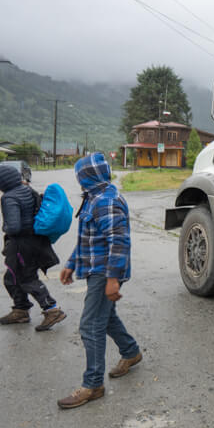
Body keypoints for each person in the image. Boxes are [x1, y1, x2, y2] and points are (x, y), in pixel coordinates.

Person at [57, 153, 141, 409]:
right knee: (105, 317)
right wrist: (71, 263)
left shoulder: (106, 201)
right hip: (96, 268)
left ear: (88, 176)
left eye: (80, 176)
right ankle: (131, 352)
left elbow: (119, 242)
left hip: (104, 271)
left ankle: (93, 385)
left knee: (90, 324)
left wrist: (112, 278)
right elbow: (88, 239)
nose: (79, 181)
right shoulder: (94, 198)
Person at [0, 163, 65, 331]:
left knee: (26, 278)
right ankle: (21, 309)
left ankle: (52, 309)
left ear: (2, 182)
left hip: (21, 245)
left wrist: (5, 228)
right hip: (35, 241)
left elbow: (14, 226)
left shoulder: (8, 197)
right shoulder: (26, 189)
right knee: (12, 278)